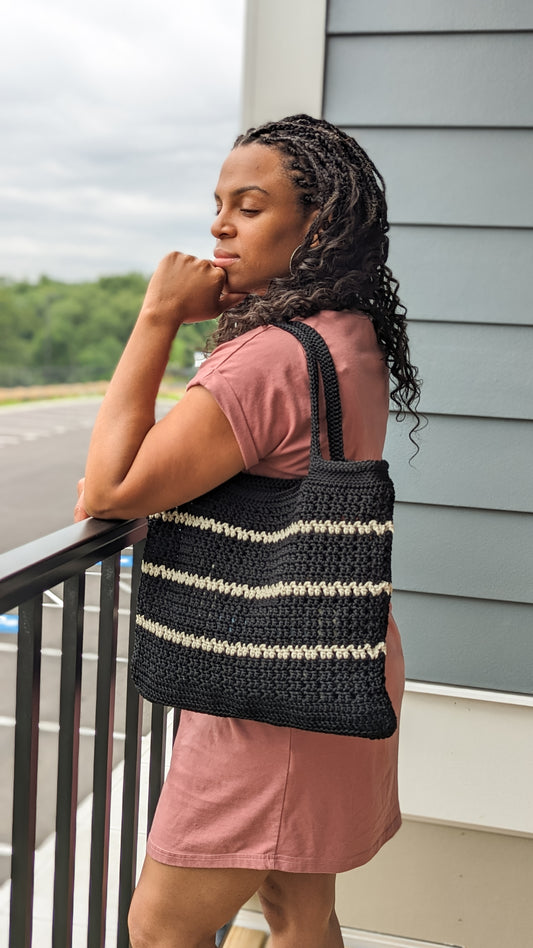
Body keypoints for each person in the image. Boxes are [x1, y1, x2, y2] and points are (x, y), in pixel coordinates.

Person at [75, 114, 422, 948]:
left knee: (162, 927)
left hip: (266, 691)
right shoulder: (348, 334)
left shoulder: (267, 358)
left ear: (318, 225)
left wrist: (156, 318)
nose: (218, 225)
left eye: (250, 206)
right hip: (329, 648)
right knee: (298, 909)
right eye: (219, 204)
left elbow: (107, 490)